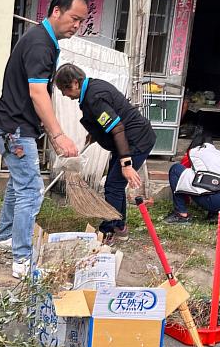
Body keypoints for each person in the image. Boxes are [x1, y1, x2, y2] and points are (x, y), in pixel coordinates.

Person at [0, 0, 88, 278]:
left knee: (19, 185)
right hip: (14, 129)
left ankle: (4, 237)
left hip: (14, 125)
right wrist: (59, 136)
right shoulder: (40, 44)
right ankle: (22, 262)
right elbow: (37, 92)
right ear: (56, 11)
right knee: (31, 191)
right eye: (74, 18)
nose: (77, 26)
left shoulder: (44, 40)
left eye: (81, 21)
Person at [54, 63, 156, 245]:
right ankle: (120, 226)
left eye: (64, 89)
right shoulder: (93, 88)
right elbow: (108, 118)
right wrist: (95, 133)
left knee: (114, 185)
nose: (64, 95)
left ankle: (110, 229)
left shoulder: (94, 97)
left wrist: (126, 164)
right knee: (115, 185)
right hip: (126, 141)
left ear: (75, 83)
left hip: (136, 140)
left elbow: (117, 127)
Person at [165, 131, 220, 224]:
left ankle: (181, 214)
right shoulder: (219, 154)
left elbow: (182, 173)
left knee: (176, 169)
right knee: (215, 181)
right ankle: (215, 214)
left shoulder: (195, 151)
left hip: (216, 200)